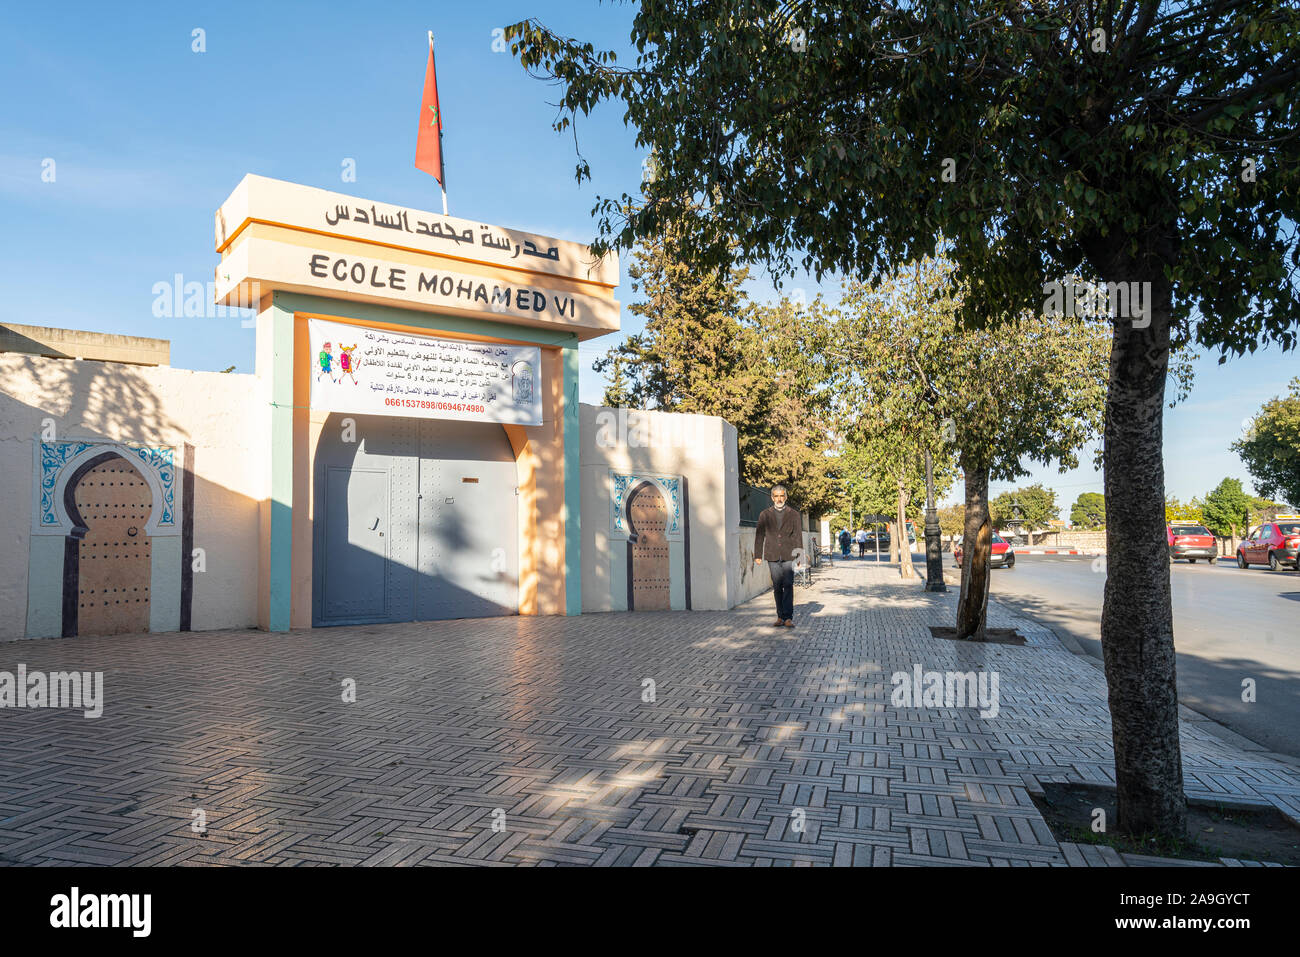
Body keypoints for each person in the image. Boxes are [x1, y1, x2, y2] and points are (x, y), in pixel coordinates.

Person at [754, 485, 803, 628]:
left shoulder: (793, 514)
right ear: (772, 497)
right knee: (777, 586)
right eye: (776, 496)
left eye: (782, 496)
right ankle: (780, 616)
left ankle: (788, 617)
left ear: (786, 497)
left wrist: (799, 556)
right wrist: (758, 554)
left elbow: (797, 536)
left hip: (789, 554)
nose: (779, 499)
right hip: (772, 554)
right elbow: (759, 535)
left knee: (788, 584)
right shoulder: (764, 514)